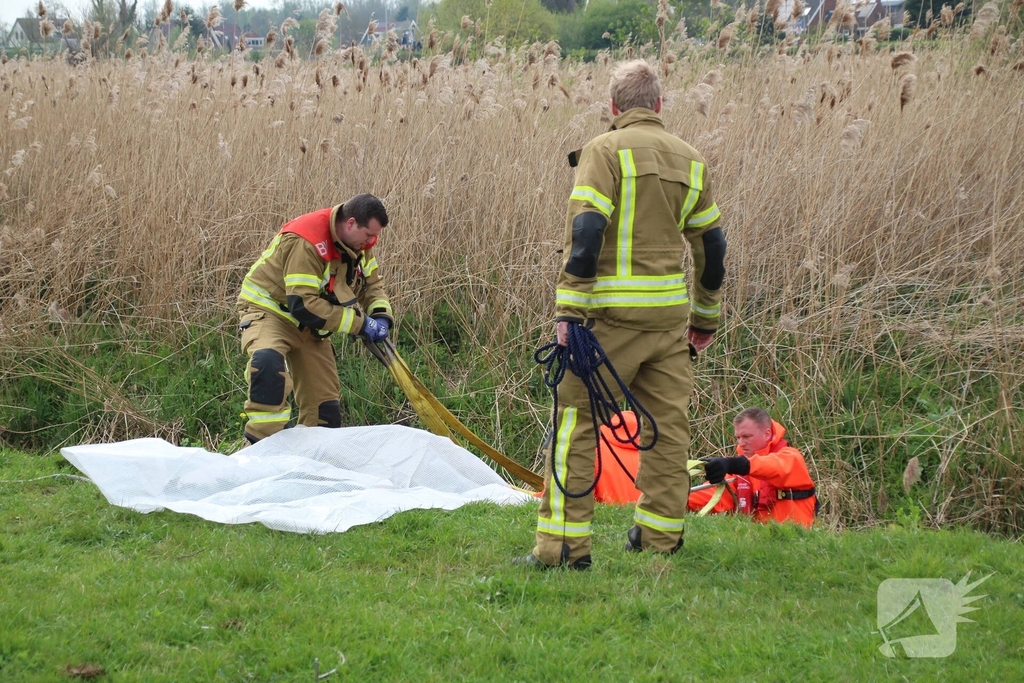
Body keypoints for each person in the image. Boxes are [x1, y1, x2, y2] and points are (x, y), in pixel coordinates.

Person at [516, 60, 727, 569]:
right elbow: (712, 249)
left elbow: (586, 233)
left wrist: (568, 308)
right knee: (669, 431)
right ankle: (660, 540)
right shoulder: (692, 160)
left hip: (609, 320)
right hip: (670, 322)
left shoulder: (603, 150)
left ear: (613, 108)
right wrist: (704, 318)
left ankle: (563, 549)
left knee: (577, 423)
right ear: (658, 106)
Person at [236, 194, 394, 445]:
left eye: (374, 237)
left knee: (325, 412)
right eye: (368, 235)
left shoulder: (358, 245)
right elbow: (303, 304)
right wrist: (361, 324)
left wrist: (380, 316)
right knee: (268, 368)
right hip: (271, 313)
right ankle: (256, 459)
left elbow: (372, 285)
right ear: (351, 223)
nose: (371, 242)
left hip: (313, 326)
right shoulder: (306, 240)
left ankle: (308, 472)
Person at [701, 407, 817, 527]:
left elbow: (772, 465)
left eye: (746, 437)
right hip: (758, 542)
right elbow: (709, 495)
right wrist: (682, 497)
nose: (741, 443)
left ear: (767, 434)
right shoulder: (739, 471)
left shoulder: (791, 458)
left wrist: (734, 464)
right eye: (738, 438)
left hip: (794, 541)